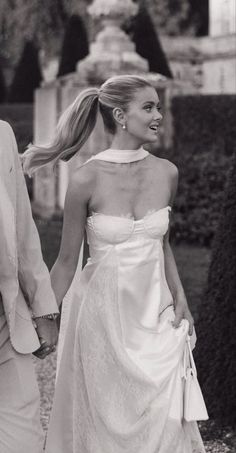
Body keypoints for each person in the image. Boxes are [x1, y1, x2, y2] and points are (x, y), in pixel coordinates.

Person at [23, 75, 206, 452]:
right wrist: (42, 318)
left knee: (164, 415)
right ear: (121, 115)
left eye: (159, 106)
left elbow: (163, 244)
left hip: (155, 313)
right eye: (149, 107)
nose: (159, 115)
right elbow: (67, 261)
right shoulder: (85, 179)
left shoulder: (167, 172)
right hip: (101, 317)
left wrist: (180, 297)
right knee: (103, 421)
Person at [0, 120, 59, 453]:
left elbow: (21, 226)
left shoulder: (2, 133)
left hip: (6, 315)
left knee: (24, 439)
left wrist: (44, 308)